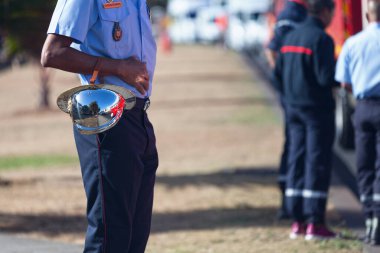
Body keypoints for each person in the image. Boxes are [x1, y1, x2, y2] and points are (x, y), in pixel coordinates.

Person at [41, 0, 158, 252]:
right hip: (105, 116)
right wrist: (118, 68)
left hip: (138, 116)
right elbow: (52, 53)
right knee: (109, 236)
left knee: (135, 237)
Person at [273, 0, 337, 240]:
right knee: (316, 161)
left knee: (296, 159)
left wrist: (289, 96)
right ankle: (315, 222)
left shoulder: (290, 38)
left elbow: (276, 74)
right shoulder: (321, 39)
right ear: (324, 12)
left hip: (293, 110)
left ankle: (297, 221)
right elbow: (325, 78)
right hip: (316, 111)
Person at [335, 0, 380, 245]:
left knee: (364, 165)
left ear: (366, 13)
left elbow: (344, 82)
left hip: (363, 108)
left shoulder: (353, 43)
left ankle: (370, 217)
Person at [265, 0, 308, 220]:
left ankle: (291, 201)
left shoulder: (293, 11)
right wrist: (284, 79)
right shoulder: (293, 12)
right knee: (295, 144)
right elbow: (271, 50)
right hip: (294, 95)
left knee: (293, 143)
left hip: (291, 92)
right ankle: (290, 202)